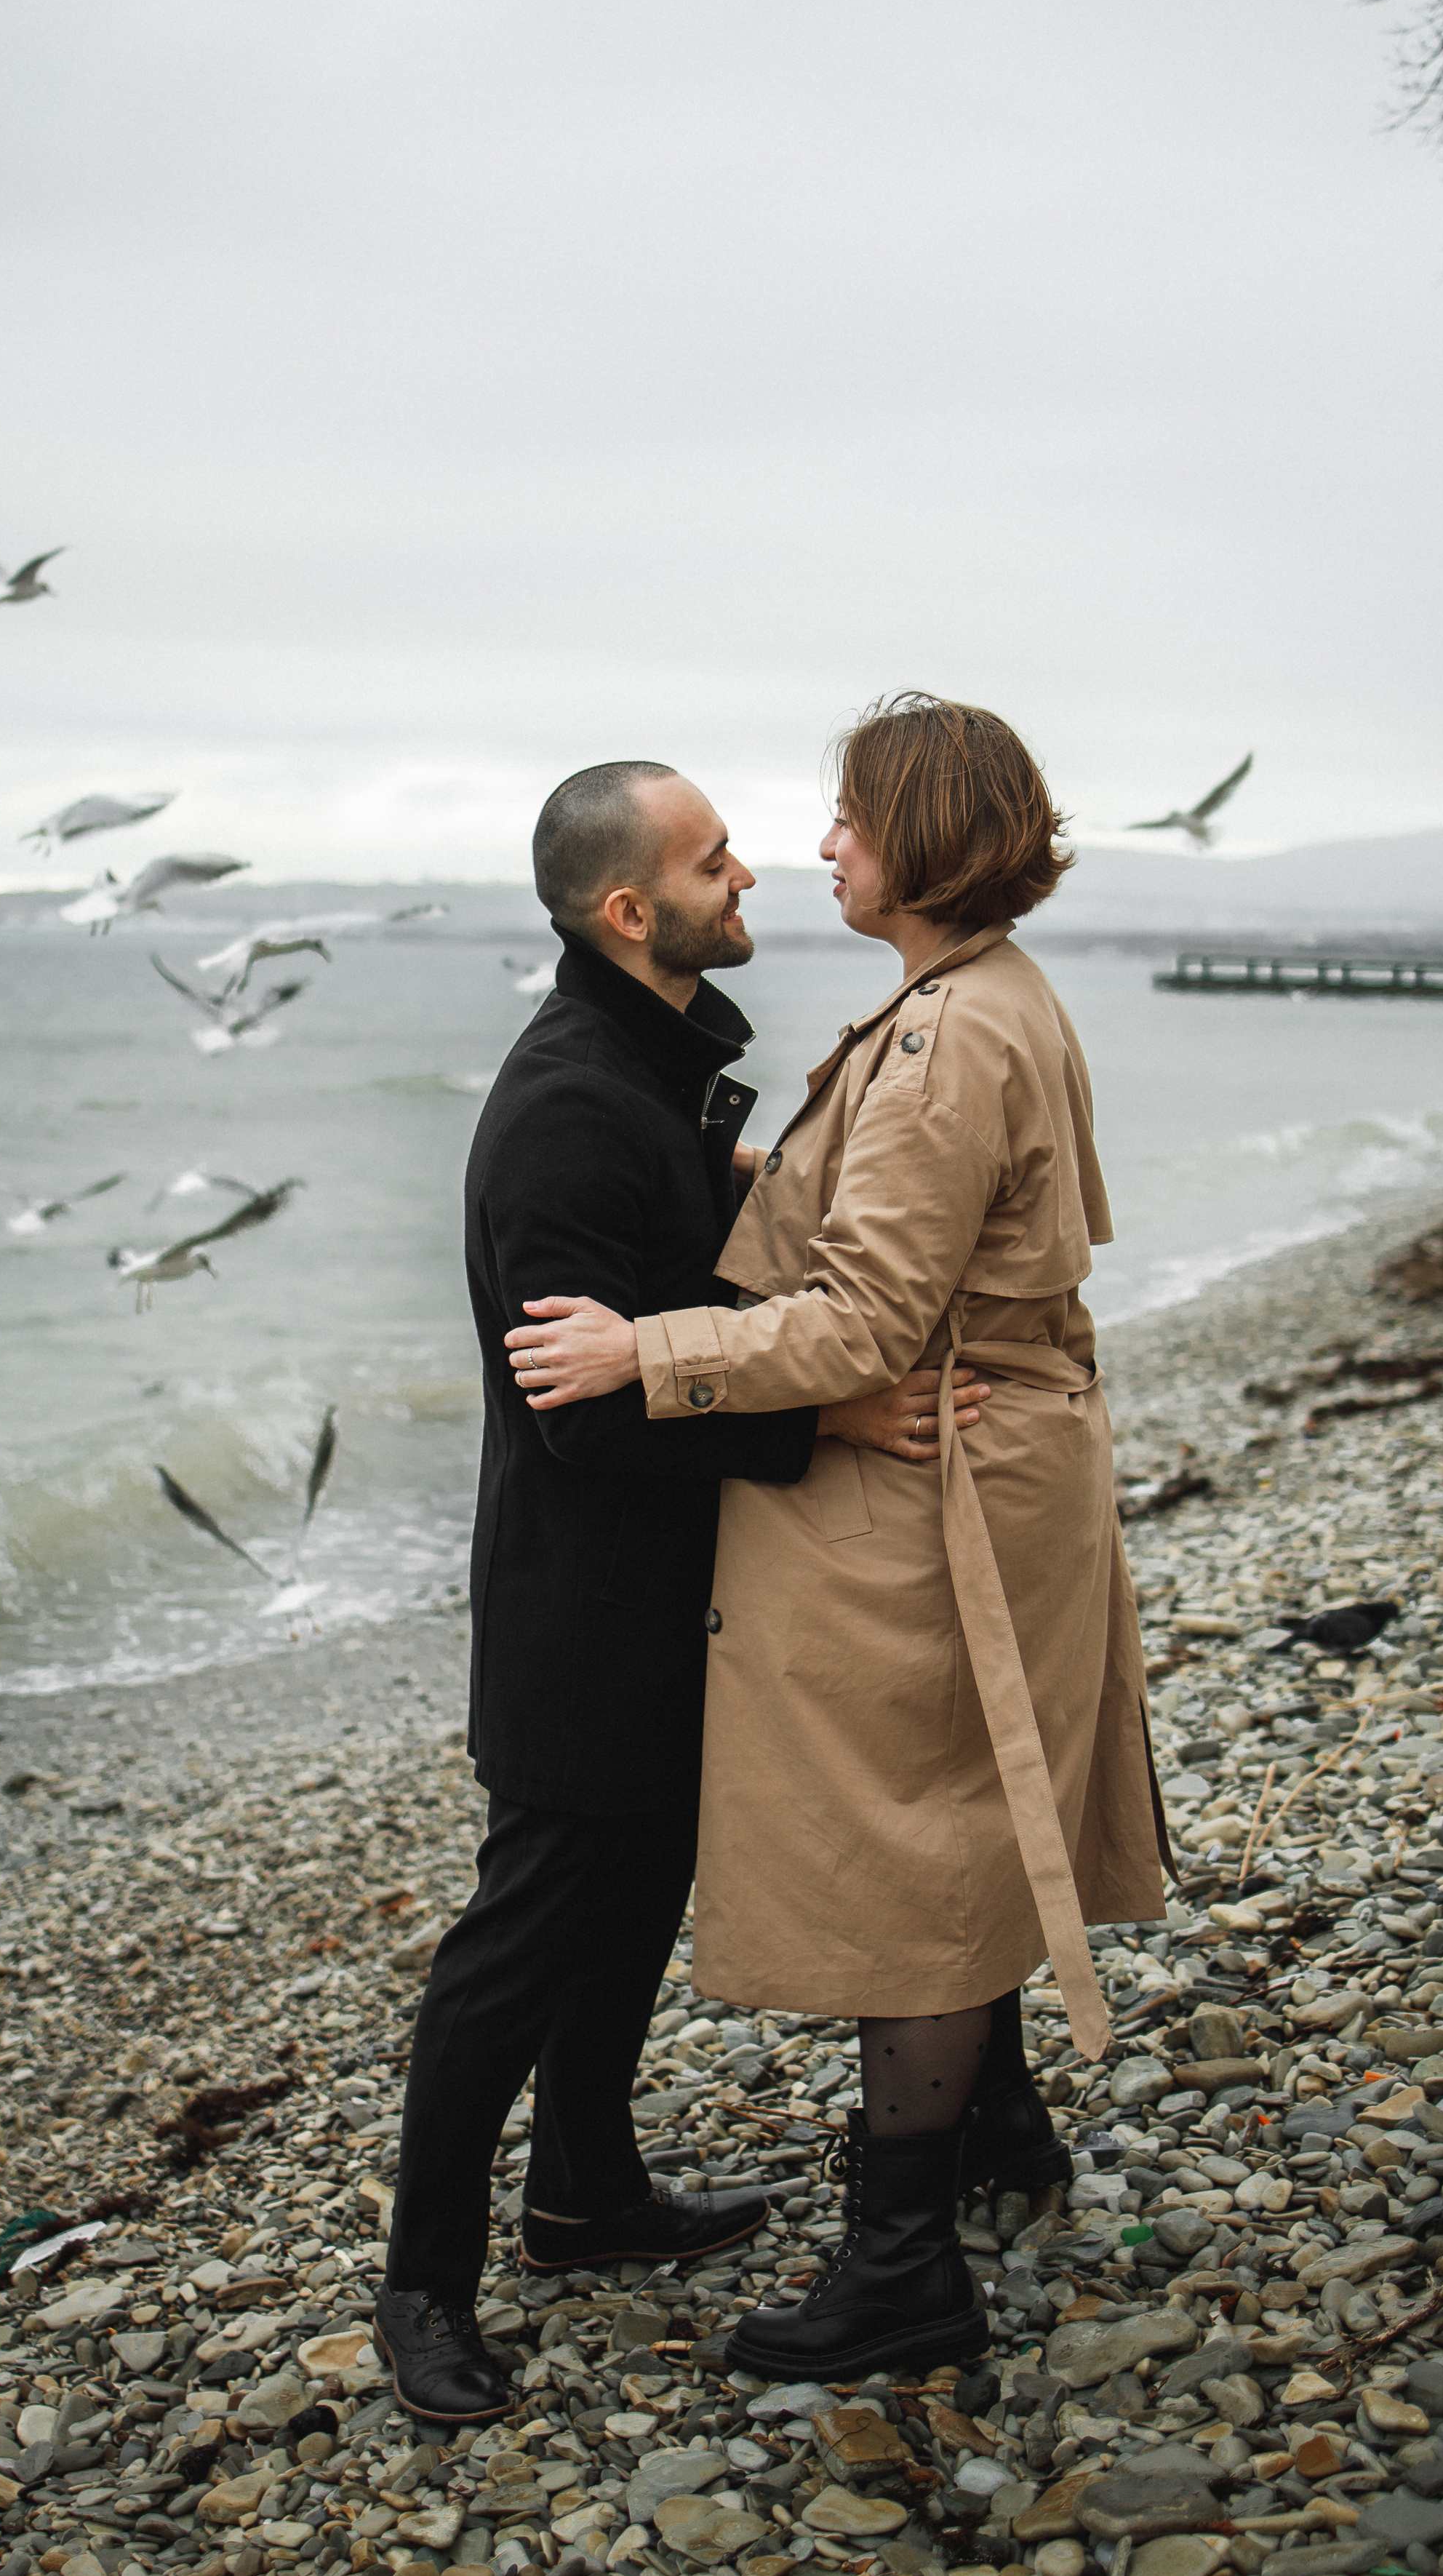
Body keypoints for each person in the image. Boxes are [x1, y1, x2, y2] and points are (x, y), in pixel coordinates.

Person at [503, 696, 1172, 2383]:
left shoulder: (948, 1037)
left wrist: (640, 1355)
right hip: (999, 1452)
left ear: (924, 840)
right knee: (961, 1794)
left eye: (849, 822)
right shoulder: (976, 1000)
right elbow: (880, 1203)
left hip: (939, 1477)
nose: (819, 851)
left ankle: (898, 2267)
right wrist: (691, 1173)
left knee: (916, 1839)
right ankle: (997, 2137)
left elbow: (867, 1319)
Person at [376, 759, 992, 2425]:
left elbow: (670, 1282)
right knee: (515, 1949)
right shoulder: (575, 1102)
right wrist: (830, 1413)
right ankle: (421, 2289)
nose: (752, 878)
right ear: (629, 912)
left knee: (632, 1907)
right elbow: (577, 1416)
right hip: (584, 1608)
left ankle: (586, 2198)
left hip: (672, 1591)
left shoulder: (649, 1069)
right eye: (715, 863)